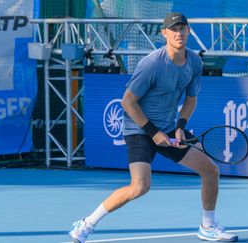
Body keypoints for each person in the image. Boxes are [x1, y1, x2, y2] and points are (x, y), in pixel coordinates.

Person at [69, 12, 238, 242]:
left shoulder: (195, 62)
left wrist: (180, 127)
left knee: (210, 170)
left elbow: (191, 100)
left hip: (169, 126)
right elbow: (127, 101)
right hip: (139, 129)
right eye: (174, 29)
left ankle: (207, 226)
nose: (179, 33)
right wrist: (153, 132)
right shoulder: (152, 64)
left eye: (182, 28)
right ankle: (86, 224)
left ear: (188, 31)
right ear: (164, 34)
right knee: (140, 187)